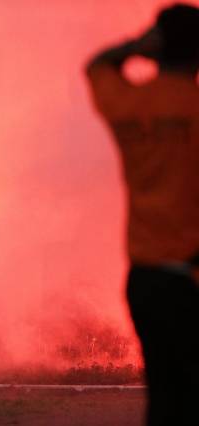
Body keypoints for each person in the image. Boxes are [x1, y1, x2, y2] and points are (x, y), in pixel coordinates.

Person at [86, 4, 199, 425]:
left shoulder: (133, 106)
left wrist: (139, 45)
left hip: (146, 280)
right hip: (191, 279)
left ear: (157, 48)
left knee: (165, 397)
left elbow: (97, 66)